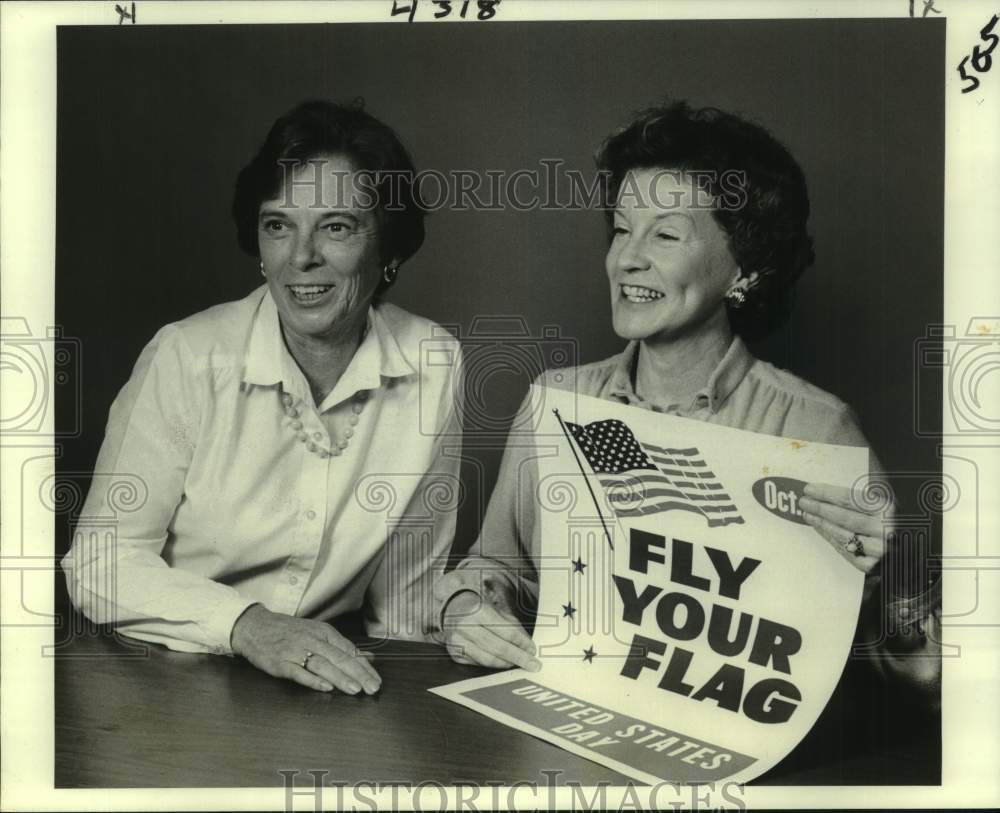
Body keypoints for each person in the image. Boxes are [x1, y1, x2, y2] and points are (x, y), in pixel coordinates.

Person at [434, 101, 940, 706]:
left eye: (666, 234)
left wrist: (898, 580)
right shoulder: (555, 400)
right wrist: (465, 608)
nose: (627, 258)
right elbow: (499, 571)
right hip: (565, 742)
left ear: (744, 271)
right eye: (622, 228)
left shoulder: (814, 426)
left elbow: (920, 683)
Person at [62, 100, 462, 696]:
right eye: (278, 224)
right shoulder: (187, 356)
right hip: (161, 675)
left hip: (323, 681)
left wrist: (459, 611)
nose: (301, 257)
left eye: (337, 226)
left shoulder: (434, 360)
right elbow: (98, 562)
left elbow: (404, 596)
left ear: (392, 251)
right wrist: (246, 625)